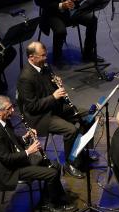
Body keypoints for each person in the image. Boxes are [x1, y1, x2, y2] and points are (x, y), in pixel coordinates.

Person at [0, 95, 76, 212]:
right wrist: (28, 151)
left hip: (17, 161)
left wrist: (25, 137)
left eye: (12, 107)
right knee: (52, 173)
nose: (12, 111)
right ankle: (45, 205)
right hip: (9, 170)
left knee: (56, 166)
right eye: (9, 108)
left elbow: (12, 141)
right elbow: (6, 158)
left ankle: (57, 198)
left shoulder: (4, 120)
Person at [16, 42, 88, 178]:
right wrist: (54, 96)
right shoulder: (25, 78)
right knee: (71, 130)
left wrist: (56, 85)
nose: (46, 58)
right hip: (41, 117)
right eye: (42, 55)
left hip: (54, 108)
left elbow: (49, 89)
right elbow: (32, 107)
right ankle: (69, 163)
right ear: (32, 57)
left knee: (88, 116)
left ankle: (82, 153)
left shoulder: (44, 66)